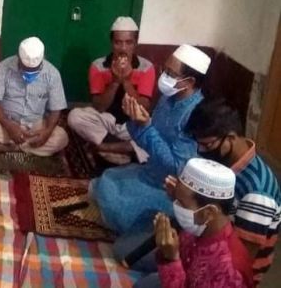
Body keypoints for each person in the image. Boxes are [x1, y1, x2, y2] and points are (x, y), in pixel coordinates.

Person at [92, 44, 211, 238]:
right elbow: (148, 137)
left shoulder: (195, 114)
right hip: (150, 171)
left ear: (189, 81)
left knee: (118, 207)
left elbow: (177, 168)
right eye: (164, 70)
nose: (163, 76)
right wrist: (134, 118)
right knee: (107, 180)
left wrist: (146, 126)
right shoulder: (168, 98)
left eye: (170, 73)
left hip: (169, 189)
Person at [185, 98, 281, 285]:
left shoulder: (257, 195)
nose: (201, 151)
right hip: (204, 242)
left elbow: (239, 259)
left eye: (207, 145)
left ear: (230, 138)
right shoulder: (226, 164)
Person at [138, 158, 253, 288]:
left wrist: (171, 259)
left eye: (182, 203)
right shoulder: (199, 226)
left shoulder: (228, 271)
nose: (176, 207)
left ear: (209, 212)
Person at [68, 16, 156, 164]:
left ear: (135, 43)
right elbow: (99, 107)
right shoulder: (98, 66)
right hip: (107, 120)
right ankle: (125, 148)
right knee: (74, 116)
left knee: (157, 131)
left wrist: (126, 81)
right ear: (111, 43)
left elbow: (143, 107)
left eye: (128, 42)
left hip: (132, 124)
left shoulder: (146, 67)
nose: (123, 48)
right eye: (118, 42)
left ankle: (106, 147)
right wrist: (115, 81)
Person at [0, 37, 68, 156]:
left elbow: (56, 109)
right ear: (18, 57)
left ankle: (12, 147)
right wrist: (8, 125)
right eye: (25, 68)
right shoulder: (3, 68)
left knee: (61, 138)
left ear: (43, 58)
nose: (29, 73)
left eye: (34, 70)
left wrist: (47, 132)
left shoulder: (52, 74)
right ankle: (29, 147)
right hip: (7, 121)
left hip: (36, 125)